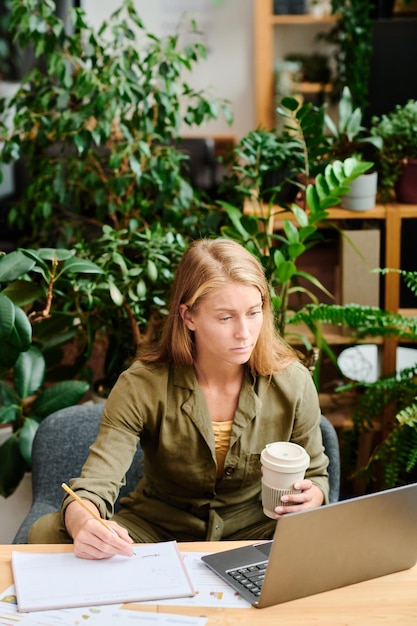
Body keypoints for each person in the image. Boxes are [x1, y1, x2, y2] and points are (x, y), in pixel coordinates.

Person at [29, 238, 329, 559]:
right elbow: (97, 482)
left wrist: (314, 495)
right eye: (226, 318)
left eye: (254, 312)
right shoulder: (141, 384)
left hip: (256, 526)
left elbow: (316, 474)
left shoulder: (293, 381)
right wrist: (83, 522)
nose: (245, 332)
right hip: (157, 529)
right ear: (188, 317)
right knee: (49, 532)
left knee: (331, 536)